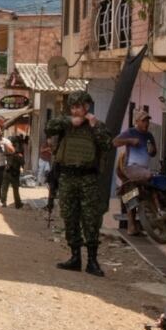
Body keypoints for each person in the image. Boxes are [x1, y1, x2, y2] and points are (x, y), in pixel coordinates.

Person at [52, 91, 111, 275]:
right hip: (67, 178)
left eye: (79, 106)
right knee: (70, 217)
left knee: (90, 220)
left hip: (88, 179)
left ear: (87, 107)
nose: (76, 110)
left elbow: (108, 145)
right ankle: (75, 257)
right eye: (73, 107)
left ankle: (92, 261)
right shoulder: (66, 125)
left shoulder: (97, 126)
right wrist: (69, 121)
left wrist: (94, 127)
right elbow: (49, 126)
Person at [114, 107, 158, 235]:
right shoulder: (131, 132)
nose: (146, 123)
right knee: (146, 178)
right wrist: (130, 141)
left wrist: (152, 150)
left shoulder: (149, 135)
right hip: (131, 168)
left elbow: (154, 152)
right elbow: (115, 142)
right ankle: (132, 225)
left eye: (147, 121)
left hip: (142, 169)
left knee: (132, 194)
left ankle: (134, 226)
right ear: (137, 121)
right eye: (144, 121)